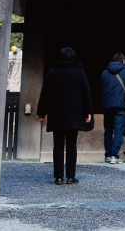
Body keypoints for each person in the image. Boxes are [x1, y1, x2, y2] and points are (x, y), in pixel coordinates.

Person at [37, 47, 93, 185]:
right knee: (71, 145)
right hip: (74, 114)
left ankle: (58, 177)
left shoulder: (52, 72)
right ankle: (70, 177)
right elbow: (86, 93)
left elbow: (45, 93)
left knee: (58, 145)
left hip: (57, 114)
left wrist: (41, 113)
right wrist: (88, 112)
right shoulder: (79, 72)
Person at [99, 52, 125, 164]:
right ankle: (114, 155)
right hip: (120, 105)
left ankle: (107, 155)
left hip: (107, 105)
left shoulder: (105, 72)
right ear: (123, 61)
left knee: (108, 131)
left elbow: (102, 87)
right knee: (118, 131)